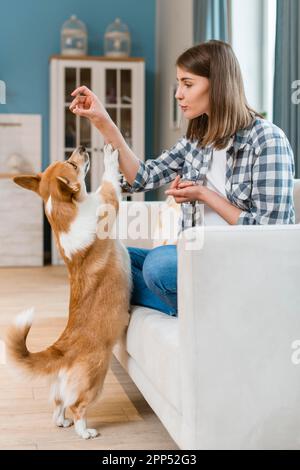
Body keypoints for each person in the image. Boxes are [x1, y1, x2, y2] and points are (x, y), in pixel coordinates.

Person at [69, 40, 295, 317]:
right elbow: (142, 177)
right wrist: (103, 120)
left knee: (159, 267)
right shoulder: (197, 140)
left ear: (219, 84)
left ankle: (215, 309)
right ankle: (198, 307)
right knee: (101, 257)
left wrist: (203, 194)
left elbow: (270, 232)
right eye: (179, 84)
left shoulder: (267, 140)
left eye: (188, 84)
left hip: (241, 266)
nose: (178, 94)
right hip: (197, 257)